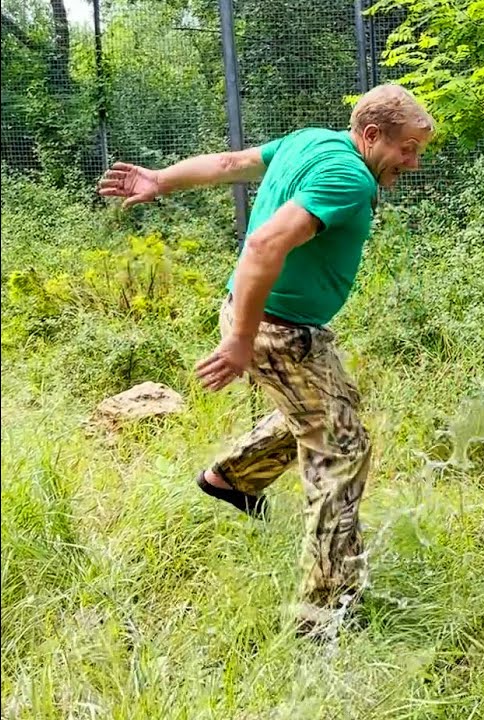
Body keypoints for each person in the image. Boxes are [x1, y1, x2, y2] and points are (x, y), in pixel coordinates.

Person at [97, 83, 436, 639]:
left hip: (259, 316)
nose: (413, 163)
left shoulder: (312, 141)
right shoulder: (348, 176)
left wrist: (160, 179)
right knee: (342, 448)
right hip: (274, 331)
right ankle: (324, 614)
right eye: (408, 149)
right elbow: (264, 245)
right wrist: (242, 341)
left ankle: (233, 478)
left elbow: (230, 164)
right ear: (372, 135)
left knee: (333, 406)